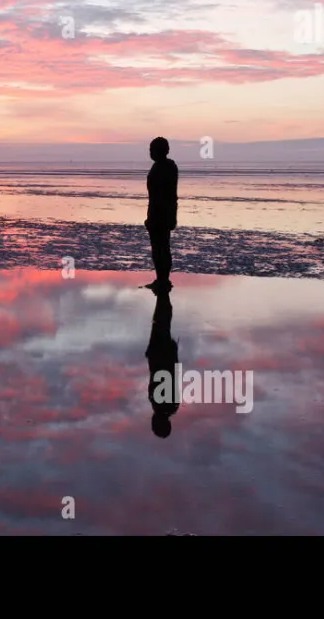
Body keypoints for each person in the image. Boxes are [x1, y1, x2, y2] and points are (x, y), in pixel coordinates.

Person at [144, 137, 178, 292]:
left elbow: (163, 196)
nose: (150, 153)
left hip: (160, 214)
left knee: (160, 248)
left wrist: (153, 217)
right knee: (162, 247)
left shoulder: (163, 168)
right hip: (163, 213)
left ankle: (163, 280)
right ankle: (162, 279)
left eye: (152, 149)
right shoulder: (166, 166)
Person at [145, 290, 178, 438]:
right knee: (160, 324)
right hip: (160, 356)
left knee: (161, 324)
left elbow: (172, 376)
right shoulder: (160, 405)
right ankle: (163, 294)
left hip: (163, 357)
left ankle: (163, 295)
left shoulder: (170, 406)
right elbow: (158, 376)